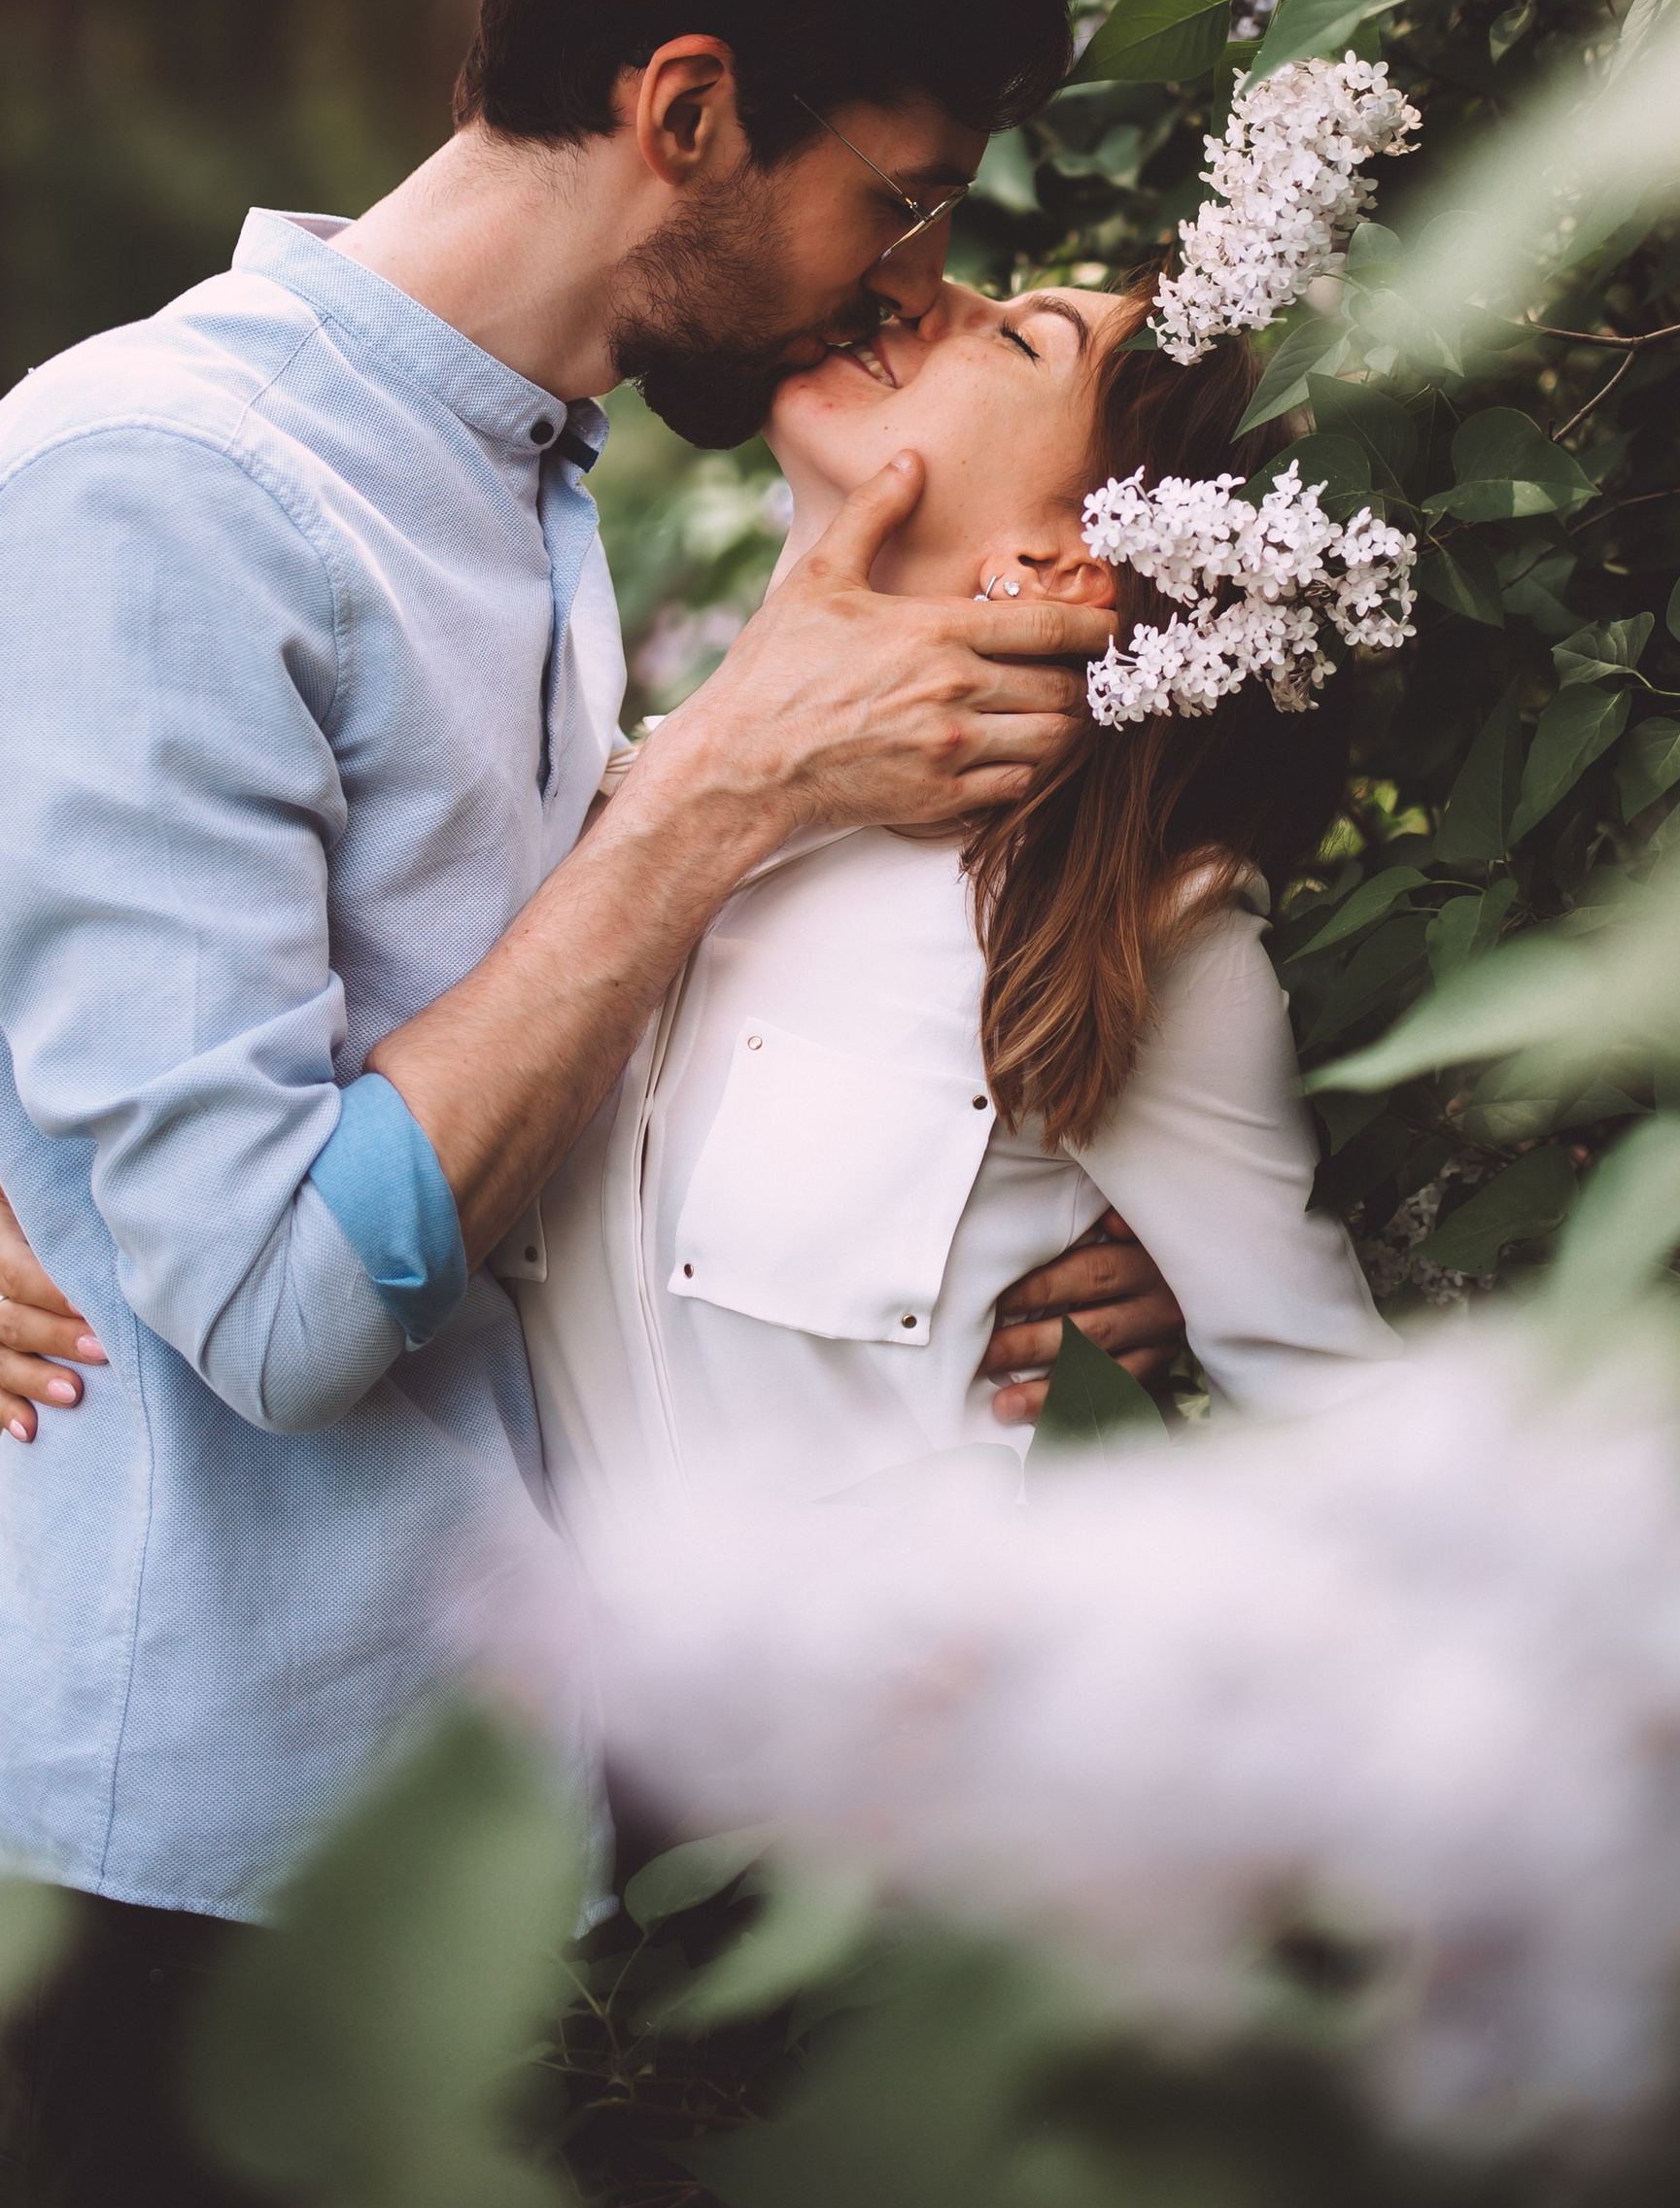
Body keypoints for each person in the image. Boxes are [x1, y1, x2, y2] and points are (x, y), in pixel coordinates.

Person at [0, 0, 1183, 2208]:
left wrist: (1005, 1250)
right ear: (689, 108)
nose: (899, 274)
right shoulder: (155, 488)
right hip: (217, 1908)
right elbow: (263, 1292)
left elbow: (483, 1067)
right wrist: (719, 784)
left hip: (502, 1827)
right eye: (895, 195)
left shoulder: (518, 483)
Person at [527, 270, 1397, 1554]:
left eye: (1017, 335)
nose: (922, 290)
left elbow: (1340, 1423)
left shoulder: (1120, 934)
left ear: (1060, 565)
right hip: (568, 1745)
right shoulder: (578, 822)